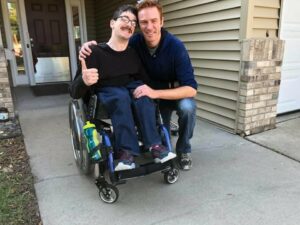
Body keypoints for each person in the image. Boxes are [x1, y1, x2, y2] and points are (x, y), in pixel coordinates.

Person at [79, 0, 197, 170]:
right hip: (147, 94)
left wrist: (155, 93)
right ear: (139, 25)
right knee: (153, 128)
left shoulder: (176, 47)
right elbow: (114, 47)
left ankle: (184, 149)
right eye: (143, 22)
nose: (149, 27)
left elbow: (191, 89)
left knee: (187, 107)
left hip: (170, 93)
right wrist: (88, 47)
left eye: (154, 21)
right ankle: (138, 148)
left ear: (162, 21)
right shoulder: (134, 43)